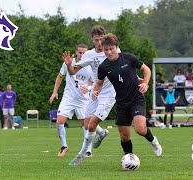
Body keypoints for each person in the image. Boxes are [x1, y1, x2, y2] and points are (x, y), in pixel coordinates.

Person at [68, 33, 162, 165]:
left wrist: (145, 83)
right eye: (106, 50)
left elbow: (146, 70)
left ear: (116, 47)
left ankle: (153, 141)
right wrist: (95, 91)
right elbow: (99, 82)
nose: (109, 52)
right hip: (121, 102)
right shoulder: (104, 67)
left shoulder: (129, 58)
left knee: (140, 129)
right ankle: (129, 160)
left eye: (111, 49)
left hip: (136, 98)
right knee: (124, 136)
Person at [63, 26, 115, 165]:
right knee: (86, 124)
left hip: (109, 93)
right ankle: (102, 133)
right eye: (96, 40)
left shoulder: (111, 51)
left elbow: (124, 64)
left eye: (101, 39)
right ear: (92, 39)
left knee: (91, 124)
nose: (99, 43)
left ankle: (81, 155)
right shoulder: (89, 55)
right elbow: (73, 71)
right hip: (95, 92)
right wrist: (69, 65)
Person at [50, 44, 94, 157]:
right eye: (80, 52)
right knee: (60, 121)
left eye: (84, 52)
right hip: (68, 98)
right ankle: (64, 146)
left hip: (83, 100)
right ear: (76, 52)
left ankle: (88, 150)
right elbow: (60, 76)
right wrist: (55, 92)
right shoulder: (69, 62)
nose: (82, 54)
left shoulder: (90, 66)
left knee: (86, 125)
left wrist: (88, 88)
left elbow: (94, 82)